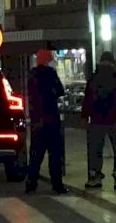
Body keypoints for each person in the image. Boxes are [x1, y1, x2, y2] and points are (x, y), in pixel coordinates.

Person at [82, 52, 116, 190]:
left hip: (97, 119)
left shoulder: (93, 78)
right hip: (114, 119)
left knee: (95, 150)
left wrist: (85, 116)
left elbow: (87, 99)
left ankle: (95, 177)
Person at [24, 48, 68, 195]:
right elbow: (60, 90)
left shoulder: (31, 74)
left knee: (36, 155)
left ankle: (31, 184)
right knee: (54, 154)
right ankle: (57, 185)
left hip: (37, 120)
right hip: (51, 118)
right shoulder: (50, 73)